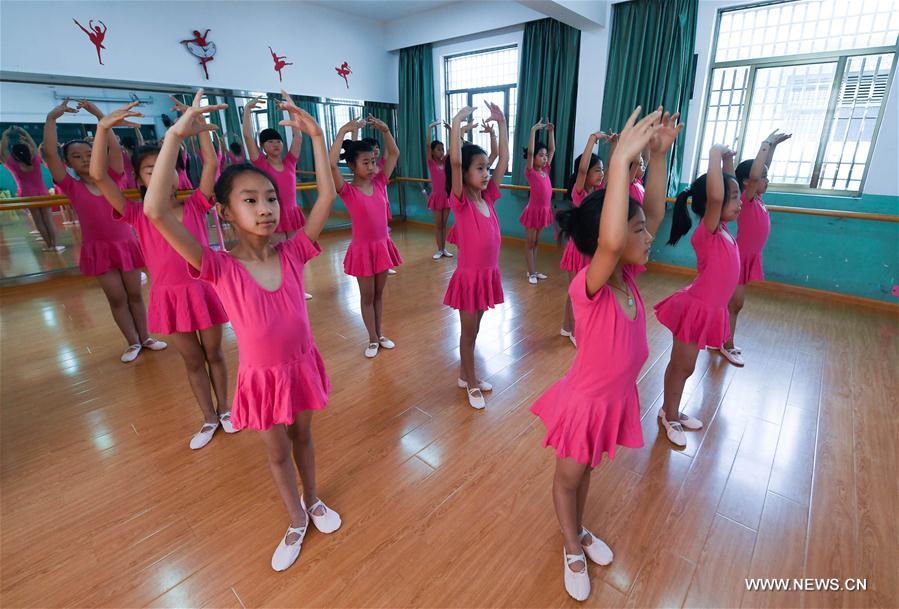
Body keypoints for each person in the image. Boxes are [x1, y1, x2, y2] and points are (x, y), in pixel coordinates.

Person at [143, 91, 341, 572]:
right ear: (226, 213)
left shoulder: (293, 253)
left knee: (305, 440)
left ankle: (313, 499)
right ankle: (294, 517)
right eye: (250, 200)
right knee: (276, 453)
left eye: (271, 197)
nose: (266, 208)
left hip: (300, 365)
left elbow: (328, 196)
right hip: (261, 377)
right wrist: (173, 137)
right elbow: (155, 212)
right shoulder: (218, 266)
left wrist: (315, 137)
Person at [531, 106, 679, 601]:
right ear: (605, 244)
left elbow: (653, 212)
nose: (647, 235)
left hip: (612, 402)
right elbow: (615, 239)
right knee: (568, 478)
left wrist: (657, 158)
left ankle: (578, 529)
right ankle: (570, 545)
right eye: (635, 232)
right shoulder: (588, 286)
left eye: (640, 230)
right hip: (584, 405)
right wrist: (618, 165)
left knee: (587, 470)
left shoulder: (626, 280)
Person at [91, 100, 233, 450]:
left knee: (215, 354)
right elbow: (98, 176)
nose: (160, 174)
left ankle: (226, 409)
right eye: (151, 170)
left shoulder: (196, 204)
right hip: (169, 297)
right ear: (139, 179)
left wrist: (199, 132)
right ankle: (208, 417)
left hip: (204, 290)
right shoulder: (138, 214)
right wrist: (102, 129)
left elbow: (212, 163)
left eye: (167, 167)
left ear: (177, 173)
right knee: (193, 360)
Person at [43, 98, 163, 362]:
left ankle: (146, 337)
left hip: (125, 244)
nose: (85, 159)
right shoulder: (70, 185)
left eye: (89, 154)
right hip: (98, 250)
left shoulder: (115, 177)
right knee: (117, 298)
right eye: (77, 156)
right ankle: (132, 343)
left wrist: (99, 115)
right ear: (69, 163)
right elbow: (50, 154)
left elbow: (113, 147)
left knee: (135, 295)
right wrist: (52, 119)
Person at [654, 144, 742, 447]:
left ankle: (673, 410)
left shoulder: (725, 229)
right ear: (711, 206)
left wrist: (728, 164)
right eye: (735, 198)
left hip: (710, 308)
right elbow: (717, 196)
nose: (740, 202)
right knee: (683, 366)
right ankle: (668, 413)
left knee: (687, 366)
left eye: (740, 197)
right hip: (696, 308)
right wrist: (715, 156)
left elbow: (722, 192)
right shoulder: (708, 231)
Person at [443, 102, 509, 409]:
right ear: (466, 172)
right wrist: (457, 124)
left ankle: (463, 374)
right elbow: (455, 163)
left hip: (488, 275)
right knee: (468, 335)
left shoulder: (489, 198)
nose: (486, 174)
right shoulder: (461, 202)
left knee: (477, 330)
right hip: (469, 278)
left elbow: (504, 159)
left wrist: (503, 124)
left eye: (487, 168)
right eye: (480, 168)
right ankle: (470, 382)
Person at [714, 130, 791, 366]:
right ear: (748, 182)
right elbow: (758, 173)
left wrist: (772, 149)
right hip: (738, 259)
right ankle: (727, 345)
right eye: (762, 178)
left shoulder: (756, 198)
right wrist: (765, 143)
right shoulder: (745, 200)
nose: (766, 180)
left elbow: (760, 169)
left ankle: (718, 338)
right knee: (735, 304)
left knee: (730, 303)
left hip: (747, 258)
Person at [328, 116, 402, 358]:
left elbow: (393, 154)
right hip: (362, 249)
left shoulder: (380, 183)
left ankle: (379, 334)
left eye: (372, 162)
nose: (371, 167)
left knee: (379, 295)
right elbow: (330, 165)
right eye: (365, 162)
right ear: (352, 165)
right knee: (367, 296)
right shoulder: (348, 191)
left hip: (382, 246)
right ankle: (371, 338)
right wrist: (341, 132)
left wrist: (386, 130)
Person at [0, 126, 63, 251]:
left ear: (15, 154)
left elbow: (2, 151)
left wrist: (5, 135)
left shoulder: (13, 164)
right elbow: (33, 146)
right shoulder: (35, 160)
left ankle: (49, 246)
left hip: (27, 194)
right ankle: (55, 245)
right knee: (48, 220)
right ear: (28, 151)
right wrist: (24, 133)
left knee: (38, 221)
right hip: (42, 192)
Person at [519, 118, 555, 284]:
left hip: (544, 211)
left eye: (545, 156)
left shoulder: (545, 171)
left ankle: (533, 270)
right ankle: (531, 272)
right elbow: (532, 153)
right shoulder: (531, 171)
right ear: (533, 158)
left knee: (537, 242)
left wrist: (550, 132)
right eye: (541, 155)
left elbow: (553, 149)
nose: (545, 158)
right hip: (533, 211)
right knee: (530, 242)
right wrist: (533, 131)